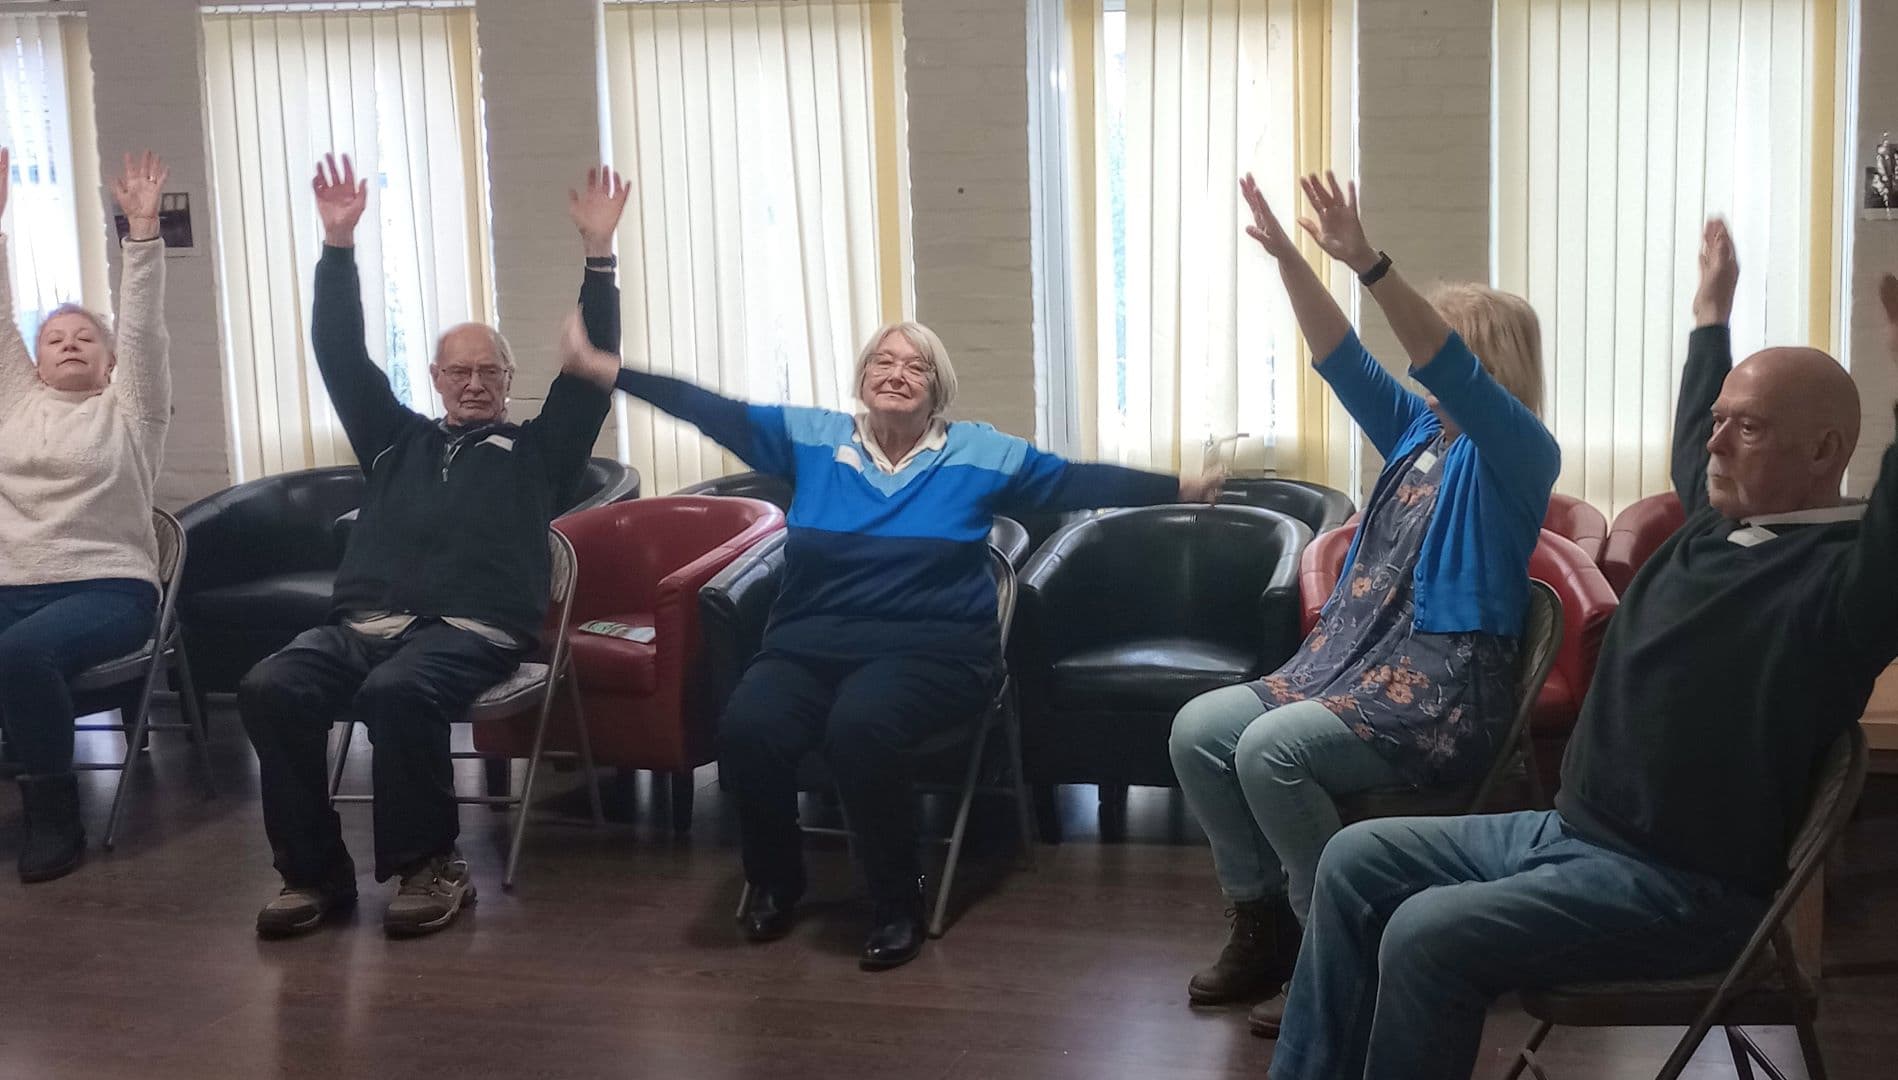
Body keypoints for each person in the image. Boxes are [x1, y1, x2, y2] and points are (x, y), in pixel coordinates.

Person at [1269, 219, 1898, 1080]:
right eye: (1719, 424)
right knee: (1352, 858)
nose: (1714, 444)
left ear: (1825, 451)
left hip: (1683, 888)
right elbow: (1696, 423)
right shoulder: (1719, 522)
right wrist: (1710, 315)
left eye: (1746, 428)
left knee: (1424, 934)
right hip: (1570, 832)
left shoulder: (1846, 582)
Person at [557, 312, 1222, 970]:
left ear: (938, 389)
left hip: (934, 651)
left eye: (916, 366)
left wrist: (1180, 487)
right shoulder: (813, 439)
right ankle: (774, 881)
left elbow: (1080, 480)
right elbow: (710, 409)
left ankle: (898, 900)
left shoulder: (980, 453)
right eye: (884, 360)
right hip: (808, 647)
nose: (897, 374)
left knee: (861, 727)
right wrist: (610, 372)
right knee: (748, 727)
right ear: (862, 377)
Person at [1168, 171, 1559, 1031]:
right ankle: (1263, 926)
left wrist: (1372, 265)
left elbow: (1442, 365)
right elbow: (1341, 355)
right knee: (1199, 730)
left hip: (1443, 694)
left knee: (1271, 750)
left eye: (1442, 355)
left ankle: (1336, 951)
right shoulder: (1422, 434)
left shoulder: (1518, 451)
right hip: (1351, 670)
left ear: (1483, 366)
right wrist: (1291, 261)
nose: (1420, 367)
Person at [238, 155, 628, 939]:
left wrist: (599, 257)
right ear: (436, 377)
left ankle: (430, 865)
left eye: (488, 371)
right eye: (459, 371)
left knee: (398, 693)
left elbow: (590, 373)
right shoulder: (394, 441)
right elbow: (339, 355)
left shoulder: (538, 452)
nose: (473, 383)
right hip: (362, 627)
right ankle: (313, 874)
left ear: (509, 379)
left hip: (471, 631)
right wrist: (337, 247)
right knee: (270, 685)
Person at [0, 149, 171, 883]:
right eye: (54, 338)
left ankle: (53, 812)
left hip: (107, 587)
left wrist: (142, 234)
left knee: (20, 656)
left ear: (108, 362)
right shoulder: (14, 403)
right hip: (12, 584)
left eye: (85, 338)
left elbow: (143, 332)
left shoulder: (130, 410)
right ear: (35, 362)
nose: (69, 343)